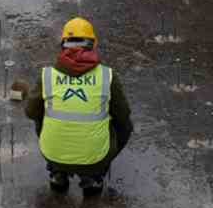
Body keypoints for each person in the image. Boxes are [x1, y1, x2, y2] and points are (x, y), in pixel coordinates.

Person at [24, 17, 133, 196]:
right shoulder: (107, 76)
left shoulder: (47, 76)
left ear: (63, 45)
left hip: (53, 154)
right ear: (93, 45)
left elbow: (30, 112)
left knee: (40, 113)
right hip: (95, 159)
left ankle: (57, 173)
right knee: (124, 125)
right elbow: (123, 115)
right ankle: (94, 175)